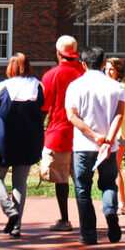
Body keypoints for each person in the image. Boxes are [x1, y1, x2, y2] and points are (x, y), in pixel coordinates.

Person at [65, 47, 125, 245]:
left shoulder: (75, 86)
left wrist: (94, 136)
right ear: (103, 64)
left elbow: (72, 116)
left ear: (83, 64)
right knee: (109, 184)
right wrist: (108, 138)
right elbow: (119, 114)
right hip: (109, 146)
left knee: (82, 189)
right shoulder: (116, 87)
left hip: (84, 145)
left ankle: (89, 233)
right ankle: (110, 211)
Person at [0, 53, 45, 238]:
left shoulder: (4, 86)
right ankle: (16, 226)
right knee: (20, 182)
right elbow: (43, 109)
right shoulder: (38, 86)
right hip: (30, 139)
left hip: (5, 138)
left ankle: (9, 209)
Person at [39, 35, 85, 231]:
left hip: (59, 133)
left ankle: (64, 219)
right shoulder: (84, 73)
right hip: (84, 134)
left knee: (61, 180)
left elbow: (43, 107)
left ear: (58, 53)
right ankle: (86, 219)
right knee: (82, 181)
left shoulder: (51, 75)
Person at [103, 57, 125, 214]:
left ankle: (122, 203)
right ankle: (119, 202)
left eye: (112, 69)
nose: (108, 72)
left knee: (115, 169)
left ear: (118, 72)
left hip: (119, 133)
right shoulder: (114, 87)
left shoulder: (120, 88)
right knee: (113, 169)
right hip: (117, 132)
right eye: (106, 69)